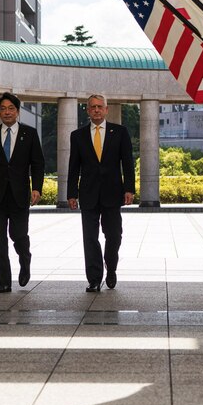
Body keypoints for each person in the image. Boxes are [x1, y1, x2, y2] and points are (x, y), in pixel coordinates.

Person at [0, 91, 44, 293]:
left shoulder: (29, 134)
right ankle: (4, 280)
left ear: (18, 111)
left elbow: (38, 163)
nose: (7, 112)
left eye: (11, 108)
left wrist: (37, 188)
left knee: (18, 234)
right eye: (3, 109)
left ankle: (25, 258)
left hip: (20, 193)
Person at [67, 94, 135, 292]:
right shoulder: (77, 136)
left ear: (106, 110)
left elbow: (128, 163)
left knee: (114, 235)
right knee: (90, 237)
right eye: (92, 107)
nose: (96, 110)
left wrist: (129, 189)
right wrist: (72, 193)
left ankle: (111, 267)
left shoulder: (120, 132)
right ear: (87, 111)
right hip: (88, 193)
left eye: (100, 107)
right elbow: (73, 167)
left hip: (113, 193)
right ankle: (94, 278)